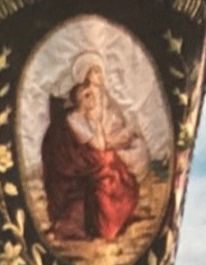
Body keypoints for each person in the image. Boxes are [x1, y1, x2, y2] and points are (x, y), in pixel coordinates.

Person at [41, 74, 140, 242]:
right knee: (109, 165)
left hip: (86, 159)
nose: (92, 97)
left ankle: (117, 215)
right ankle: (106, 224)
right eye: (86, 95)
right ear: (77, 100)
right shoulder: (73, 119)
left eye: (91, 93)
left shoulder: (84, 117)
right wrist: (96, 126)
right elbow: (98, 145)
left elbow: (100, 145)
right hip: (74, 165)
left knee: (114, 164)